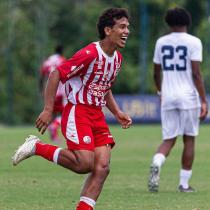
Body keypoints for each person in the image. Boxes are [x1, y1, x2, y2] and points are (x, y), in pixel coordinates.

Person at [12, 7, 132, 210]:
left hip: (97, 116)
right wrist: (48, 109)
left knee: (102, 167)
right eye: (122, 27)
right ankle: (37, 147)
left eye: (128, 27)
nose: (127, 31)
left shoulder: (117, 59)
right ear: (107, 30)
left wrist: (117, 112)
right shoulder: (90, 53)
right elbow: (56, 74)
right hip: (79, 111)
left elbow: (105, 86)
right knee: (84, 164)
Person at [148, 7, 208, 193]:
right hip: (188, 96)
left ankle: (156, 162)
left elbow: (156, 73)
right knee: (189, 139)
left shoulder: (161, 42)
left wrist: (160, 92)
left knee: (168, 139)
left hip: (168, 96)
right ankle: (183, 184)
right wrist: (204, 100)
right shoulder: (194, 42)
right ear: (187, 22)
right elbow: (196, 73)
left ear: (168, 22)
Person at [39, 45, 66, 143]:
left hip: (49, 91)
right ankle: (54, 127)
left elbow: (41, 76)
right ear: (62, 51)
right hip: (61, 92)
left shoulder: (47, 61)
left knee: (52, 113)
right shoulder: (62, 60)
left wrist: (41, 90)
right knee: (65, 113)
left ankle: (54, 136)